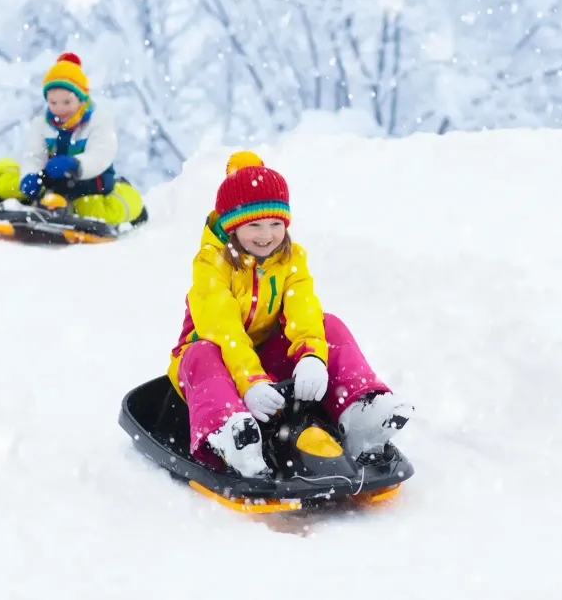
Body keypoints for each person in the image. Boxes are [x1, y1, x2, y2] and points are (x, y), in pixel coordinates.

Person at [165, 150, 413, 478]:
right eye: (253, 224)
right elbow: (222, 328)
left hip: (266, 361)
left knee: (329, 324)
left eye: (275, 223)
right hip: (217, 365)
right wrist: (249, 380)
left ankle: (359, 412)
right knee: (201, 352)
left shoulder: (291, 258)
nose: (266, 235)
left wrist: (312, 355)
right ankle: (233, 435)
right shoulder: (211, 264)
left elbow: (302, 306)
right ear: (232, 226)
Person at [0, 52, 148, 227]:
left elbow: (102, 153)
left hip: (88, 183)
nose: (59, 109)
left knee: (98, 210)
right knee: (14, 187)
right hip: (51, 181)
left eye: (66, 102)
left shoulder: (99, 120)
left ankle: (125, 195)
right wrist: (30, 174)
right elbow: (34, 155)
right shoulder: (42, 124)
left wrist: (76, 163)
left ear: (81, 99)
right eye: (53, 103)